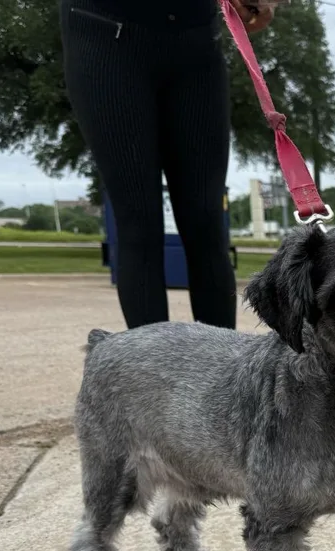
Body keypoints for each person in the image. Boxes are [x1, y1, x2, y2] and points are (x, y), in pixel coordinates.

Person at [60, 0, 275, 329]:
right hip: (103, 28)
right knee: (138, 223)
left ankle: (223, 374)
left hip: (197, 37)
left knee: (206, 223)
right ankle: (151, 376)